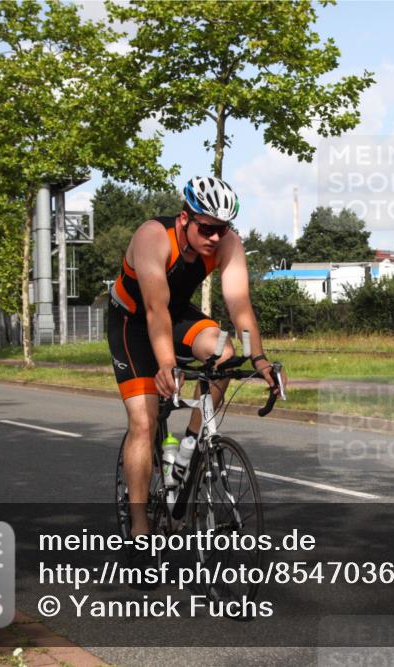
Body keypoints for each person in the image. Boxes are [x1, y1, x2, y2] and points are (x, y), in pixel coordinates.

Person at [107, 176, 286, 547]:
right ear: (186, 218)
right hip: (133, 322)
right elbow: (155, 310)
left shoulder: (226, 243)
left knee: (224, 351)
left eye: (223, 228)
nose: (216, 238)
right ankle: (140, 530)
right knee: (144, 420)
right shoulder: (153, 236)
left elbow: (239, 307)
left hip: (176, 314)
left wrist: (259, 356)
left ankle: (189, 445)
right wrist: (167, 365)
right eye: (207, 228)